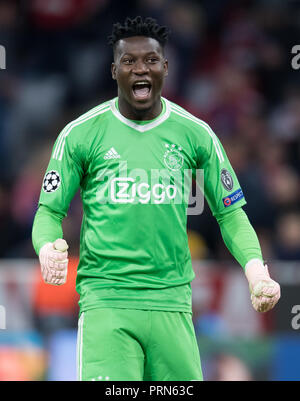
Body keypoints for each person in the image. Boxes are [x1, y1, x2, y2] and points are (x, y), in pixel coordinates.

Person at [32, 16, 280, 381]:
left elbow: (231, 214)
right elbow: (48, 210)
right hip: (107, 302)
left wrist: (256, 269)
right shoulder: (81, 134)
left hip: (173, 304)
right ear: (114, 70)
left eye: (150, 60)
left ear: (165, 67)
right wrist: (44, 248)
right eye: (128, 62)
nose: (139, 69)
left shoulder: (196, 134)